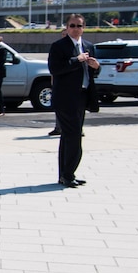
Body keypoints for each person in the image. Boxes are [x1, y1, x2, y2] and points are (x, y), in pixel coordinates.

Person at [48, 13, 100, 188]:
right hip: (65, 98)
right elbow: (55, 69)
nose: (76, 29)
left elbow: (92, 73)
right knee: (74, 136)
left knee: (69, 137)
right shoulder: (59, 46)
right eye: (72, 26)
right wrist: (76, 60)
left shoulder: (88, 46)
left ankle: (65, 174)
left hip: (82, 96)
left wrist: (96, 67)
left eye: (79, 26)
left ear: (84, 28)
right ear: (67, 28)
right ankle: (68, 174)